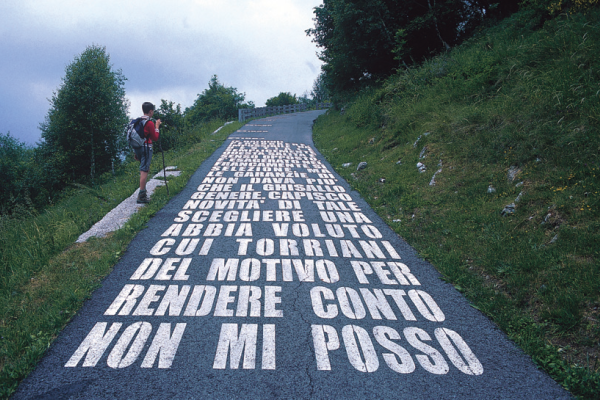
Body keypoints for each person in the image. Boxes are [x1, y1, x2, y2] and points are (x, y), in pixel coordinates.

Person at [134, 102, 161, 204]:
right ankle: (141, 195)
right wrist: (157, 126)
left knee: (143, 169)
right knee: (144, 170)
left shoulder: (139, 121)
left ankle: (143, 192)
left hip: (138, 148)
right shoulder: (149, 123)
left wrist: (136, 152)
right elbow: (155, 138)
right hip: (146, 148)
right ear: (150, 111)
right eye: (153, 111)